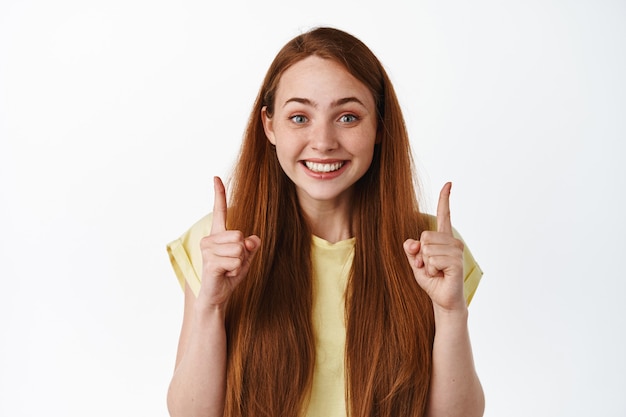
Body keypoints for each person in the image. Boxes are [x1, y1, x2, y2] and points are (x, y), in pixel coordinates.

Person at [166, 27, 484, 417]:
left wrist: (451, 312)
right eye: (299, 117)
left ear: (380, 126)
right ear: (269, 126)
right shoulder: (219, 244)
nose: (323, 141)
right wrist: (210, 306)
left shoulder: (432, 250)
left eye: (347, 117)